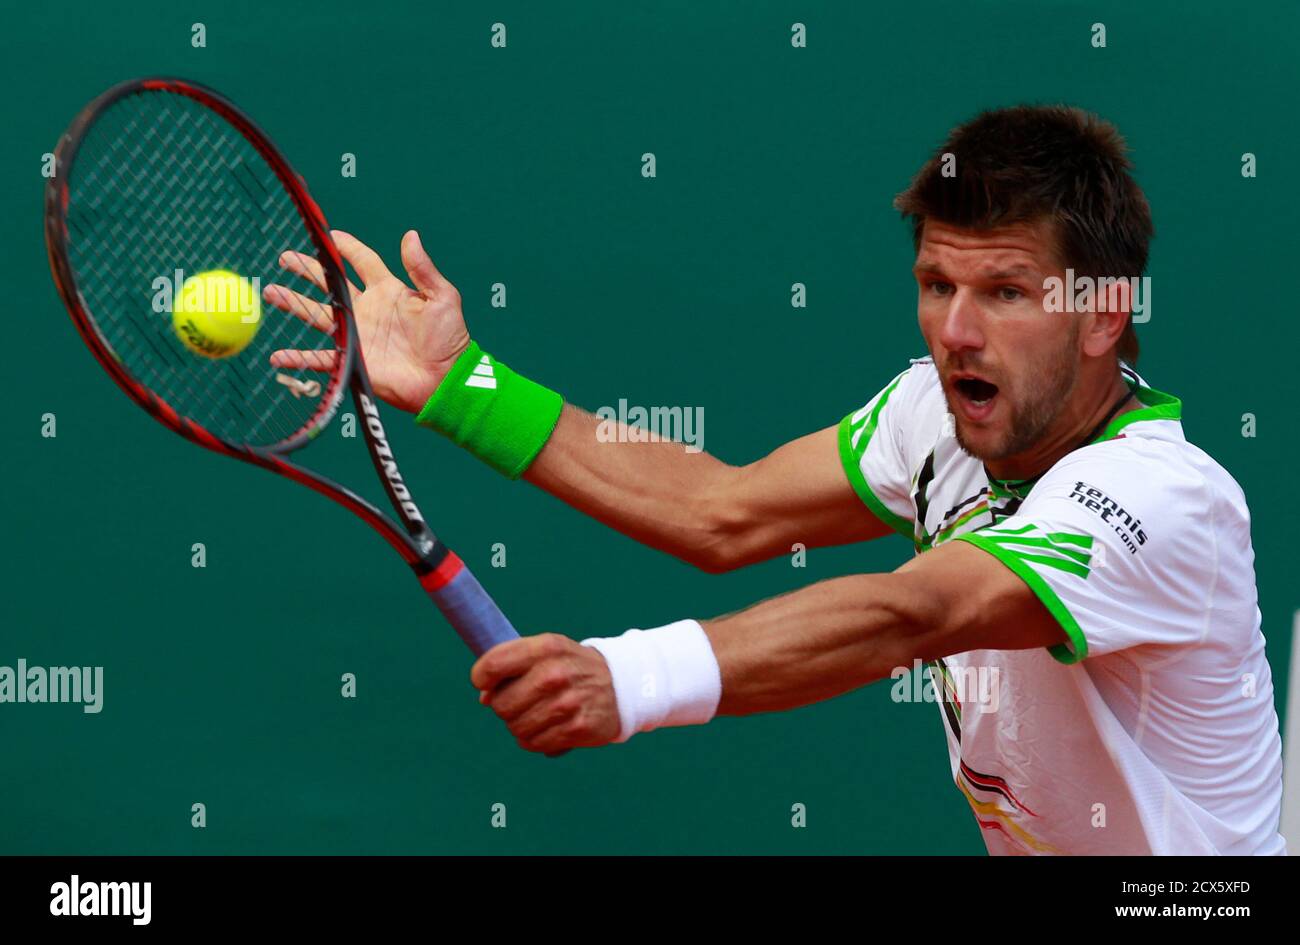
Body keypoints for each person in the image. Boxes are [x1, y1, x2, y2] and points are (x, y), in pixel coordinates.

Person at [264, 105, 1287, 855]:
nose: (956, 331)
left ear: (1103, 315)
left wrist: (627, 680)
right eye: (937, 285)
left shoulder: (1162, 499)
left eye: (1005, 291)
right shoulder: (933, 415)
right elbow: (721, 511)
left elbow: (912, 614)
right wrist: (461, 385)